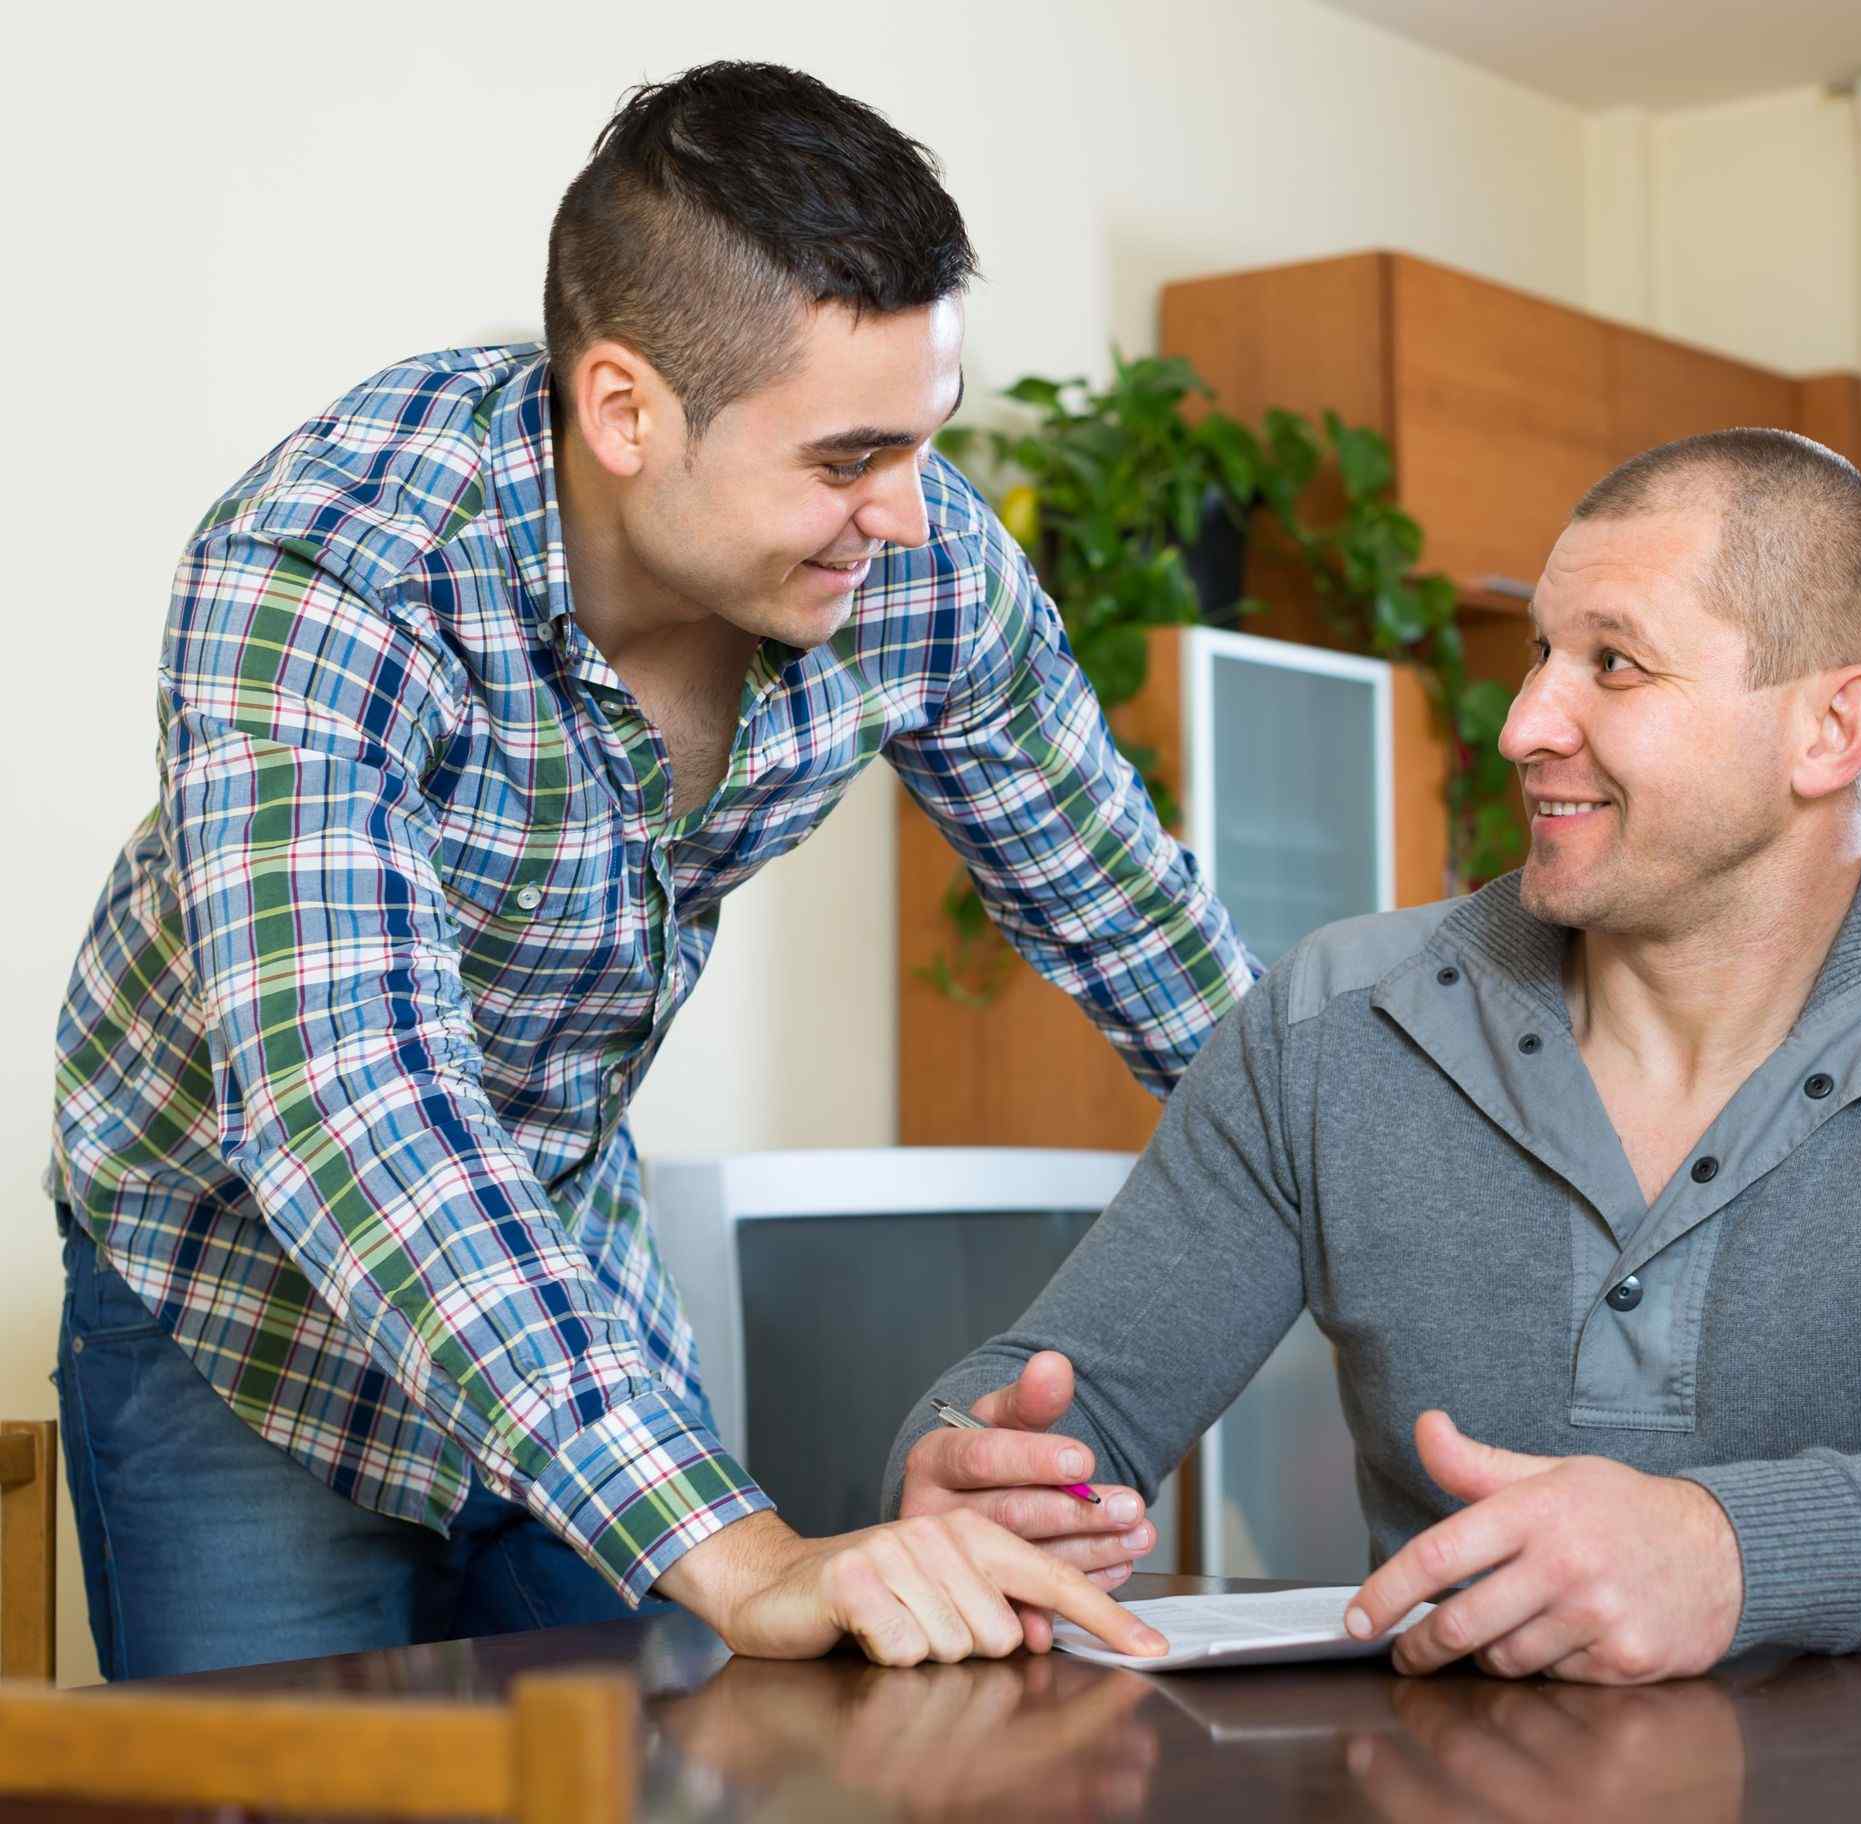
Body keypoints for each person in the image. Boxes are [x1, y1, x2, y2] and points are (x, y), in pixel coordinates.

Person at [51, 60, 1246, 1678]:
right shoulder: (334, 565)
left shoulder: (916, 566)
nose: (909, 515)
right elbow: (353, 1107)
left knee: (669, 1762)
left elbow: (1150, 937)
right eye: (846, 459)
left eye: (922, 440)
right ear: (624, 411)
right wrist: (750, 1558)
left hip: (558, 1260)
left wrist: (1441, 1251)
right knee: (287, 1782)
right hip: (241, 1290)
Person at [887, 427, 1861, 1681]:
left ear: (1831, 730)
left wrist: (1722, 1551)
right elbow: (1060, 1400)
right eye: (1541, 652)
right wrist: (972, 1470)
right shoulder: (1326, 1027)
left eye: (1615, 664)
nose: (1525, 722)